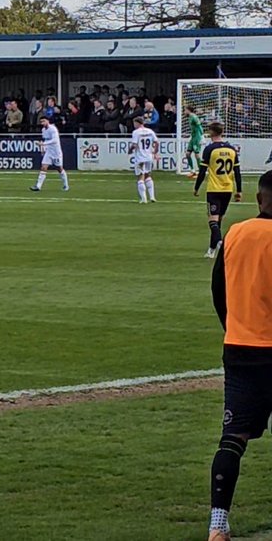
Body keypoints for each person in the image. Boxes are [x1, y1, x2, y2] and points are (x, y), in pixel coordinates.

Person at [206, 169, 272, 541]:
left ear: (261, 200)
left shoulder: (236, 233)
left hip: (240, 348)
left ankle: (218, 524)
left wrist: (233, 327)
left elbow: (219, 289)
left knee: (233, 437)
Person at [195, 123, 243, 259]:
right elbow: (237, 172)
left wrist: (196, 187)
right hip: (228, 189)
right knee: (218, 220)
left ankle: (220, 243)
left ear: (211, 132)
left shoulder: (210, 149)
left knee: (213, 220)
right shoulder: (232, 149)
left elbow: (202, 171)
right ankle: (211, 250)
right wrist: (239, 190)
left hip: (214, 189)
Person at [30, 116, 70, 192]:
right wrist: (43, 149)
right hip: (49, 152)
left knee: (59, 169)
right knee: (43, 167)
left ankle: (66, 185)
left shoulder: (53, 129)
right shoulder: (43, 130)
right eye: (41, 122)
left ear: (48, 121)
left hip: (56, 152)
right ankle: (38, 186)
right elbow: (45, 140)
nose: (42, 123)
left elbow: (54, 140)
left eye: (44, 121)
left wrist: (44, 144)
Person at [129, 118, 159, 203]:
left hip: (140, 158)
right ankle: (152, 197)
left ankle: (143, 199)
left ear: (138, 123)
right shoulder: (150, 131)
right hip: (149, 157)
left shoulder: (136, 132)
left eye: (134, 123)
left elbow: (134, 145)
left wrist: (130, 150)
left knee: (140, 176)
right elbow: (157, 142)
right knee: (148, 175)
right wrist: (155, 152)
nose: (134, 125)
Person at [186, 105, 205, 176]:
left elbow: (199, 126)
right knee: (188, 154)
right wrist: (191, 136)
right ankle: (192, 170)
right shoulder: (190, 117)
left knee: (197, 155)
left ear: (188, 110)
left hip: (197, 138)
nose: (185, 112)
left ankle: (201, 172)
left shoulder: (194, 117)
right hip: (193, 137)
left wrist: (202, 136)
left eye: (185, 110)